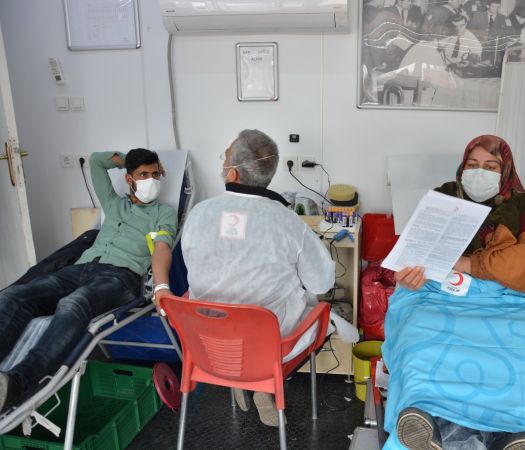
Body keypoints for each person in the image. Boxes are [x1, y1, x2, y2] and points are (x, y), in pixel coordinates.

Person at [391, 135, 525, 450]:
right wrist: (408, 276)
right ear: (462, 167)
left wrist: (470, 263)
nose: (480, 172)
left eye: (491, 166)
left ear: (505, 171)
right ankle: (428, 423)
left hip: (503, 300)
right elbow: (415, 251)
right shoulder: (443, 196)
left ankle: (509, 436)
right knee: (422, 344)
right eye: (472, 164)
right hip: (436, 292)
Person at [180, 129, 337, 427]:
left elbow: (194, 269)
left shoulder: (199, 214)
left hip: (207, 345)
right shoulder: (288, 222)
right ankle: (264, 382)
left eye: (225, 157)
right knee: (321, 314)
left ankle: (244, 379)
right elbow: (321, 283)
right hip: (267, 347)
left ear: (233, 173)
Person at [0, 149, 176, 413]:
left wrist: (162, 287)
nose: (151, 180)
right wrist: (127, 159)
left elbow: (162, 248)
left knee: (74, 303)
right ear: (129, 179)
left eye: (155, 174)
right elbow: (96, 162)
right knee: (14, 295)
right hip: (80, 269)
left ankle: (17, 384)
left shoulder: (163, 213)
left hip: (120, 276)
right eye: (143, 175)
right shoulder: (113, 203)